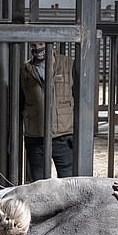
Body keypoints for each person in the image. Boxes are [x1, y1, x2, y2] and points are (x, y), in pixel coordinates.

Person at [20, 41, 75, 181]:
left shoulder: (68, 64)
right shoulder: (25, 69)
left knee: (69, 183)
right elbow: (20, 102)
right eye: (33, 45)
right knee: (39, 185)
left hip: (63, 135)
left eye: (41, 44)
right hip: (36, 136)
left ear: (51, 43)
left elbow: (81, 98)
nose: (38, 48)